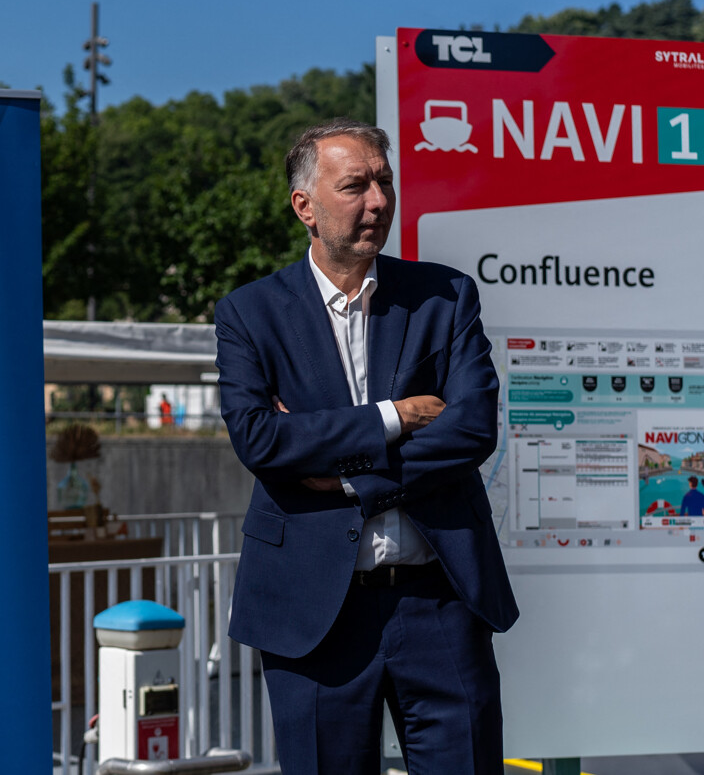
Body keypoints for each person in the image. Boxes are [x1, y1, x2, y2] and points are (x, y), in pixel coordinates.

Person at [214, 118, 518, 774]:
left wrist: (349, 476)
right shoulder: (249, 313)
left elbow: (472, 427)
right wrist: (395, 416)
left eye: (385, 182)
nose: (378, 201)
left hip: (439, 601)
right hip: (313, 612)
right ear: (305, 206)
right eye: (356, 186)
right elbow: (262, 440)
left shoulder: (444, 297)